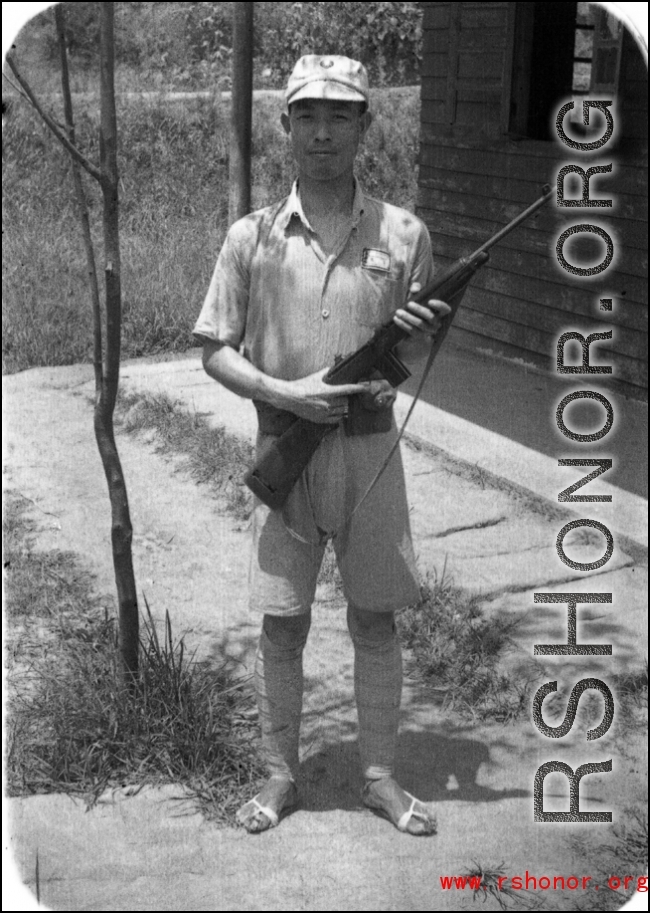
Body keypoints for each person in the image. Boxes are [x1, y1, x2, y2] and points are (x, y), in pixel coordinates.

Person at [193, 55, 451, 836]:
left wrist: (412, 332)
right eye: (308, 115)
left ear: (365, 125)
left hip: (371, 453)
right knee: (283, 622)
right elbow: (213, 345)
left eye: (341, 114)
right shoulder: (252, 237)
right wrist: (283, 392)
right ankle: (280, 777)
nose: (324, 131)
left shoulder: (405, 234)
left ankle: (378, 776)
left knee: (376, 619)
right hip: (286, 454)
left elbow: (421, 342)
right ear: (286, 127)